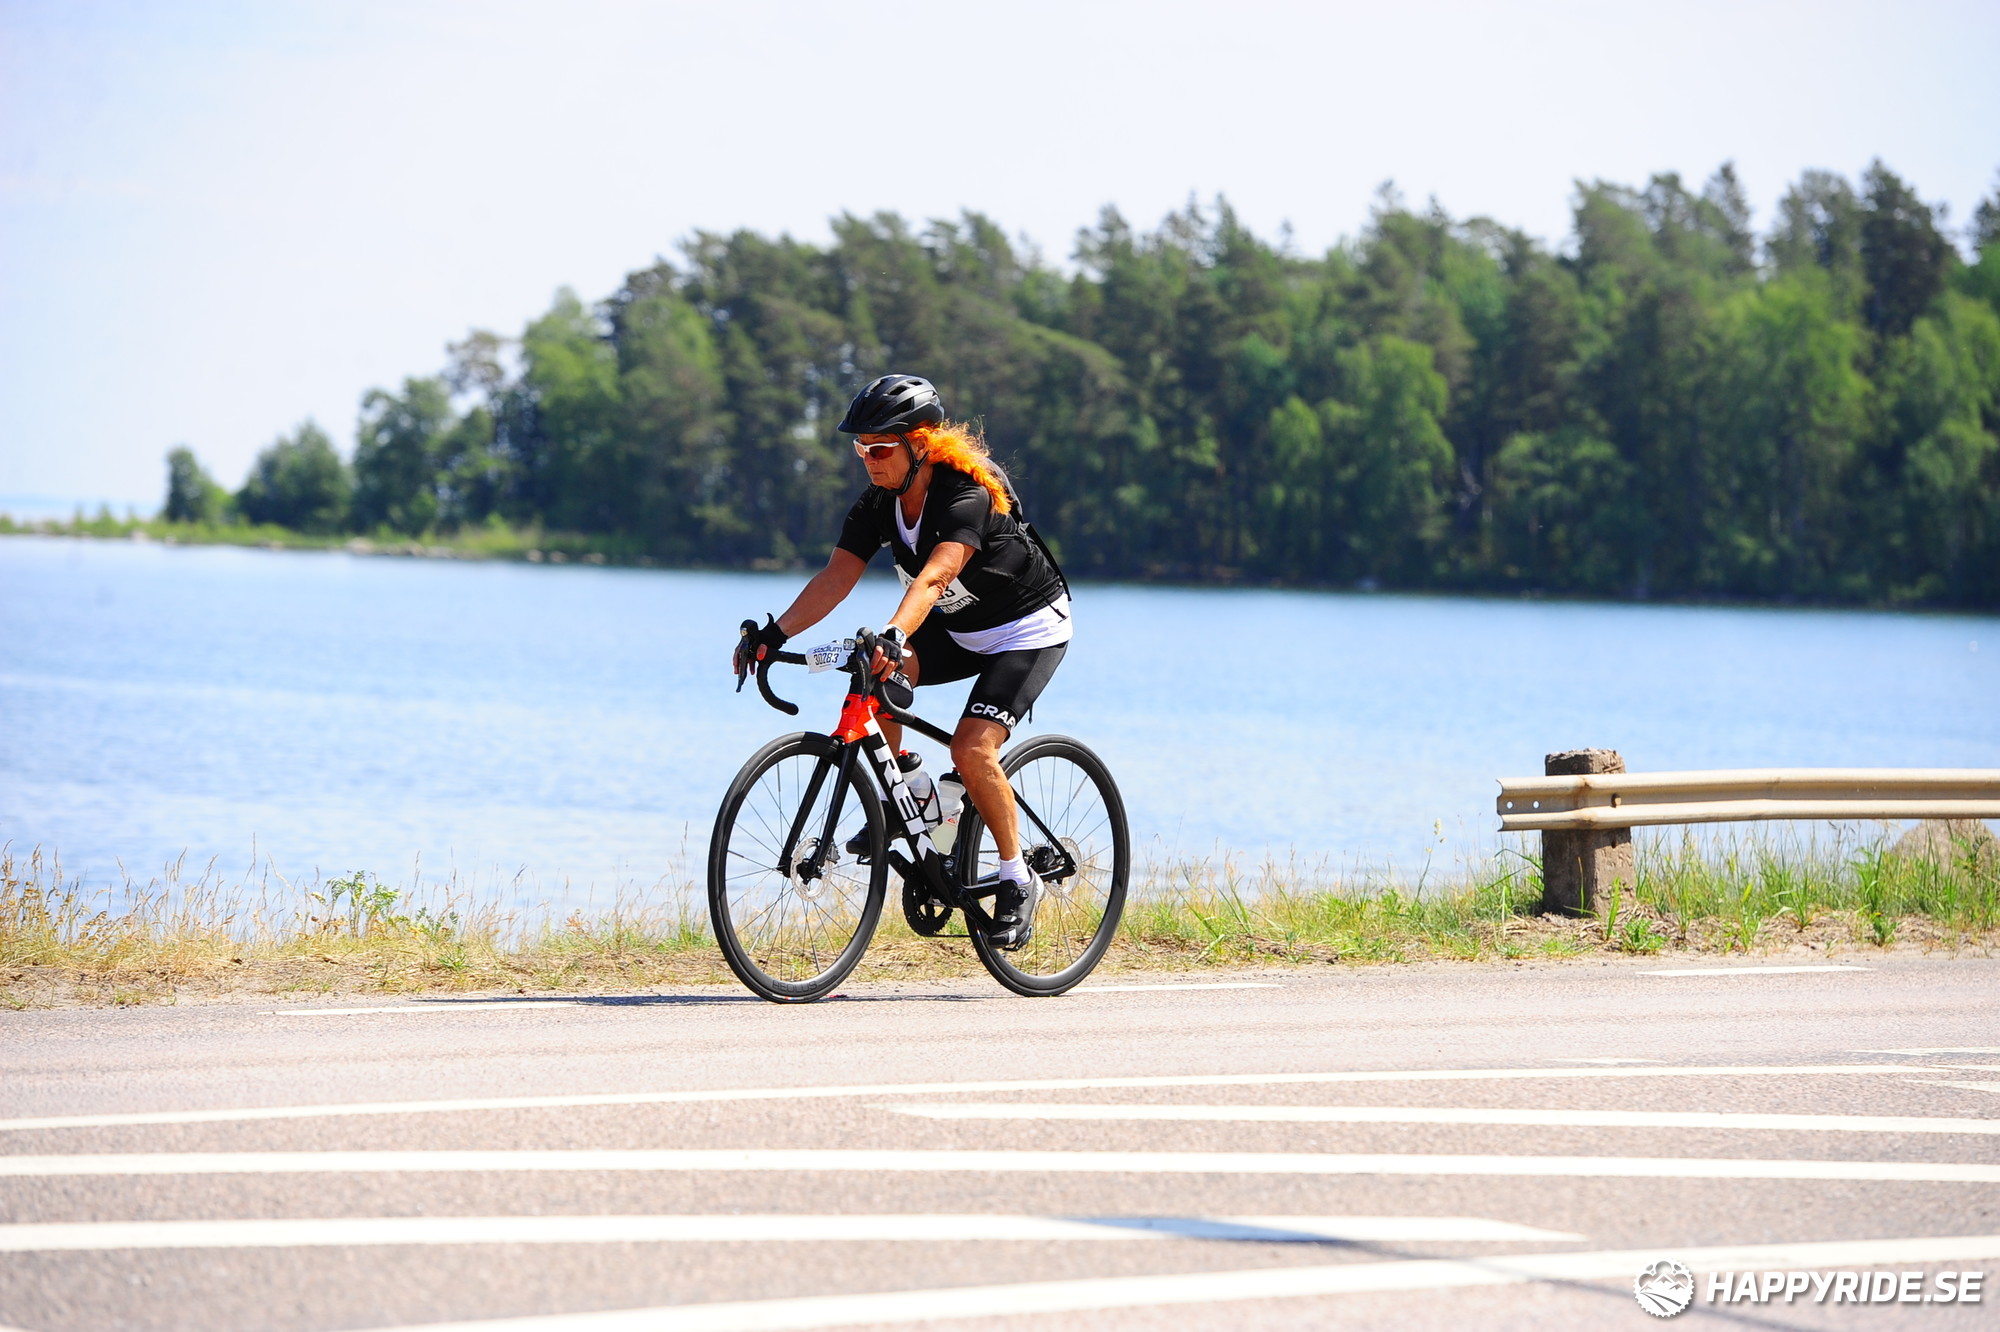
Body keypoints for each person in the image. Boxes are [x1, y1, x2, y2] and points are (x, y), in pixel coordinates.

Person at [732, 374, 1071, 949]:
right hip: (958, 627)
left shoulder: (966, 494)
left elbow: (936, 576)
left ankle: (1017, 878)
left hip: (1025, 628)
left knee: (971, 749)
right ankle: (914, 794)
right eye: (861, 449)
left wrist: (893, 632)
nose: (869, 460)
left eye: (881, 449)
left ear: (921, 444)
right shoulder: (878, 504)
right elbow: (837, 577)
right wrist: (774, 634)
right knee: (875, 678)